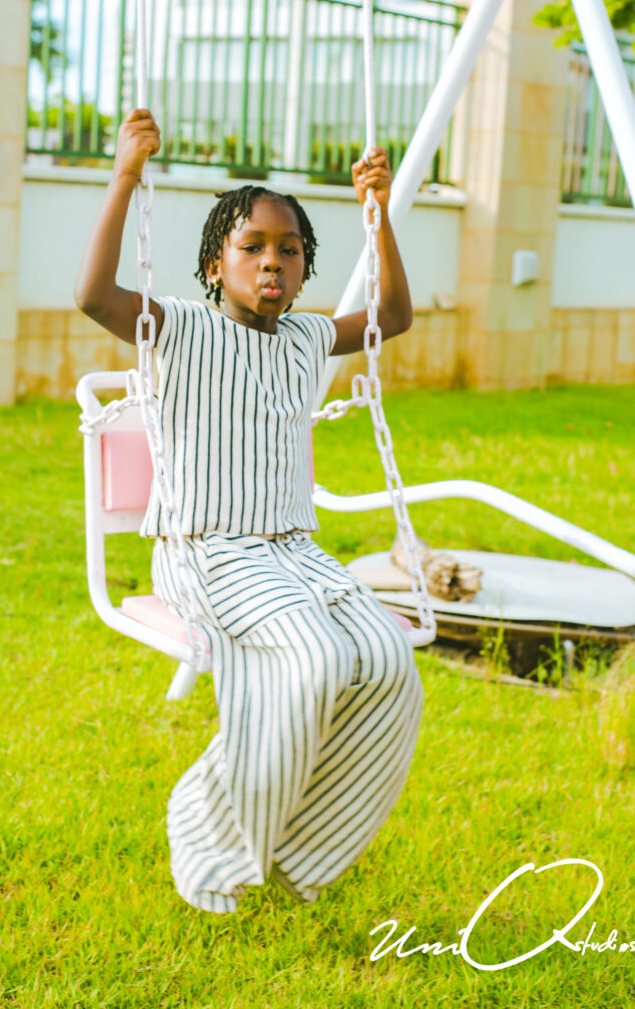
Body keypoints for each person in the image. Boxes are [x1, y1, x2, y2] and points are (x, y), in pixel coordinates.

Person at [75, 108, 424, 914]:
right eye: (252, 247)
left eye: (290, 249)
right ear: (215, 264)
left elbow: (393, 318)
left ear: (304, 268)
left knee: (388, 664)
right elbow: (92, 296)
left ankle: (302, 849)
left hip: (293, 553)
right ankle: (209, 828)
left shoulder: (305, 338)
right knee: (313, 660)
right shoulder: (180, 327)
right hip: (205, 550)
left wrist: (378, 216)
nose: (273, 261)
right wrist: (125, 174)